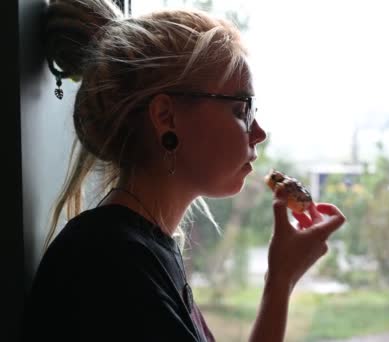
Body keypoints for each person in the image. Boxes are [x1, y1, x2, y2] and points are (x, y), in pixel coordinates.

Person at [21, 1, 346, 341]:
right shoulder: (110, 264)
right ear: (166, 117)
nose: (259, 133)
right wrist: (280, 282)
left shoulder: (135, 249)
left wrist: (281, 280)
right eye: (240, 110)